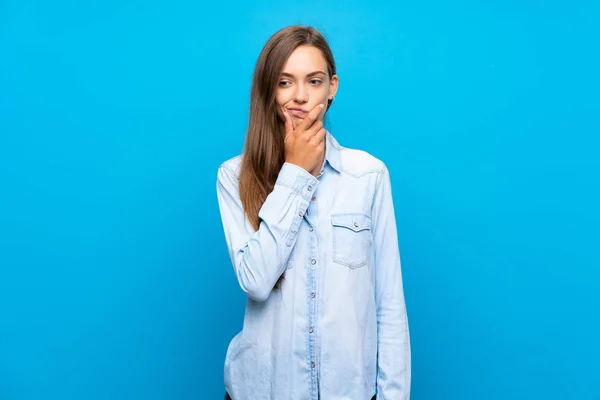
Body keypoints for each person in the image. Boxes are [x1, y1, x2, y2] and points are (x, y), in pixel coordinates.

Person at [216, 25, 411, 400]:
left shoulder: (368, 175)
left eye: (314, 81)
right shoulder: (234, 176)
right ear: (269, 90)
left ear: (332, 87)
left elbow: (389, 304)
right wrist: (295, 174)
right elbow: (256, 281)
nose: (300, 97)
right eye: (285, 82)